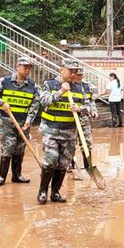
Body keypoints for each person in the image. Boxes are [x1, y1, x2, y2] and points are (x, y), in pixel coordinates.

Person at [37, 59, 89, 204]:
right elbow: (44, 101)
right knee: (50, 160)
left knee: (63, 164)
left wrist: (80, 110)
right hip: (51, 131)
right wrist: (61, 91)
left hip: (69, 133)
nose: (73, 74)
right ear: (61, 70)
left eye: (75, 72)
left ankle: (55, 193)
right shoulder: (49, 84)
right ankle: (42, 191)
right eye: (69, 71)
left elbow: (89, 108)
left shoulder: (79, 88)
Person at [0, 57, 41, 186]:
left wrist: (29, 120)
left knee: (20, 148)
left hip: (24, 122)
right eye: (24, 67)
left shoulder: (33, 86)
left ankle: (17, 175)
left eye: (29, 68)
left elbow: (34, 105)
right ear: (17, 66)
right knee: (8, 146)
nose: (27, 70)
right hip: (8, 120)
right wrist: (1, 102)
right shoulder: (4, 82)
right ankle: (1, 177)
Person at [74, 69, 99, 169]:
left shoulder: (87, 86)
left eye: (81, 75)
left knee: (86, 143)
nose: (79, 77)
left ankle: (88, 165)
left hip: (84, 119)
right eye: (77, 75)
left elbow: (91, 101)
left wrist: (94, 111)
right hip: (71, 119)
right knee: (70, 144)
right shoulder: (69, 86)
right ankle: (70, 166)